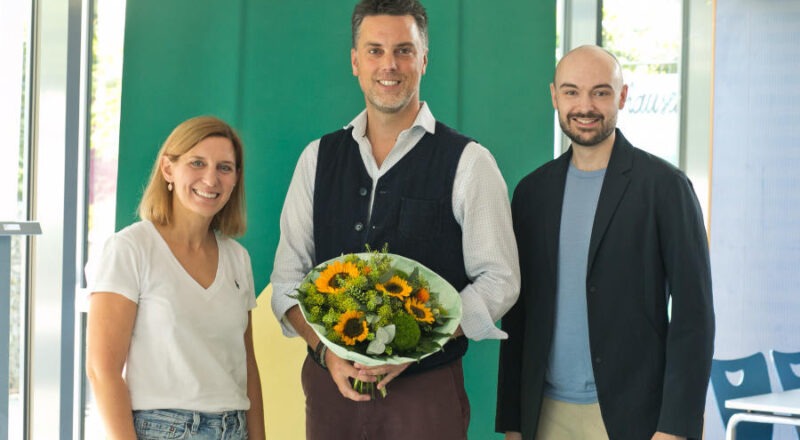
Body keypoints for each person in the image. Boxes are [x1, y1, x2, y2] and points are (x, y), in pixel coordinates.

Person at [269, 1, 520, 439]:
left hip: (426, 396)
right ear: (354, 61)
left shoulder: (469, 162)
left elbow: (500, 279)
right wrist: (327, 354)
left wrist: (417, 346)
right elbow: (288, 279)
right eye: (375, 50)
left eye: (404, 50)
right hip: (331, 392)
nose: (390, 64)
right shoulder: (317, 158)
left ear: (424, 58)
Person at [495, 45, 715, 440]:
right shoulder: (532, 193)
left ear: (622, 96)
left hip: (635, 418)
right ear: (554, 97)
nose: (585, 105)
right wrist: (513, 421)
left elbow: (694, 316)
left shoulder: (665, 188)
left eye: (600, 92)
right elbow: (519, 313)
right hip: (545, 415)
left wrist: (675, 428)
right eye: (571, 91)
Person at [85, 116, 265, 440]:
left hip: (234, 428)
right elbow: (102, 371)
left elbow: (247, 365)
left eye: (225, 167)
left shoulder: (239, 259)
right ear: (168, 169)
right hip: (162, 430)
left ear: (236, 178)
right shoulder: (130, 249)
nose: (211, 179)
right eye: (197, 163)